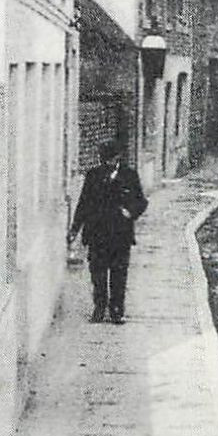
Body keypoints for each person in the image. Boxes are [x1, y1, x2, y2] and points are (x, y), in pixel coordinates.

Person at [67, 139, 148, 324]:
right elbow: (83, 205)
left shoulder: (129, 175)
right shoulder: (93, 175)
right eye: (105, 160)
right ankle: (99, 307)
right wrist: (74, 230)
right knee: (98, 274)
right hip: (97, 235)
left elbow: (141, 201)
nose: (108, 164)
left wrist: (130, 212)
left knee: (119, 274)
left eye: (111, 160)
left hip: (121, 235)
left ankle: (117, 310)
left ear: (117, 158)